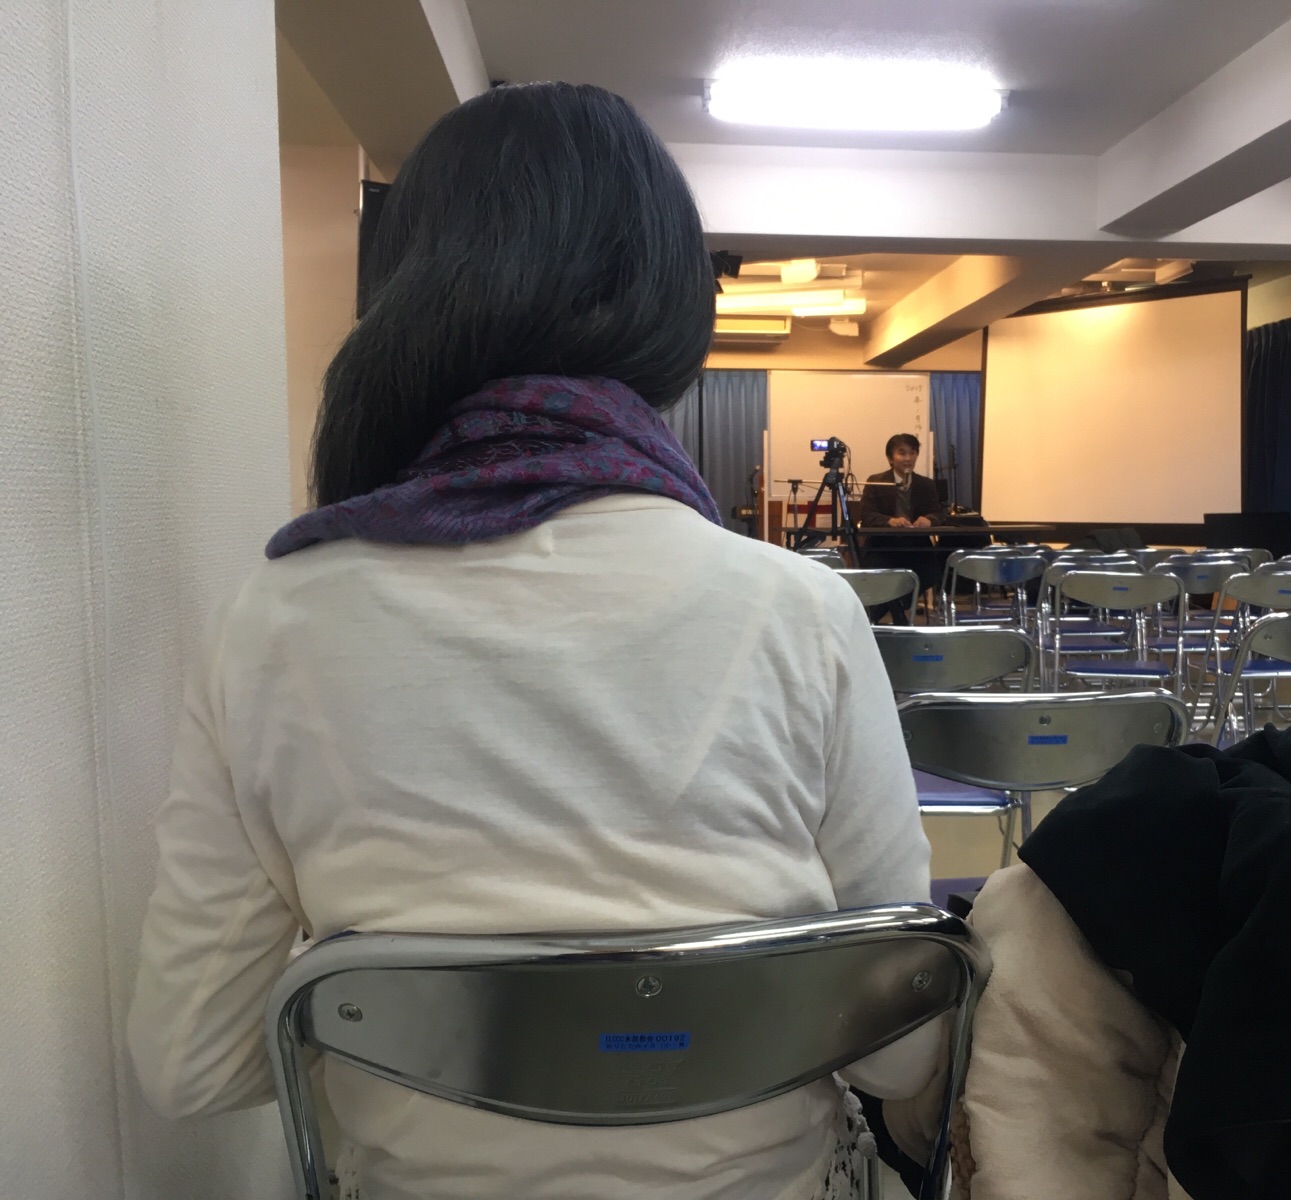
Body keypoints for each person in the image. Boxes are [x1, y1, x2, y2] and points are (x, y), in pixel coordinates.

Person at [127, 83, 932, 1200]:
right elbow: (905, 1051)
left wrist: (392, 1005)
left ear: (406, 288)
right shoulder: (802, 613)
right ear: (666, 300)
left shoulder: (272, 622)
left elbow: (191, 1062)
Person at [857, 434, 945, 621]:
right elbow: (867, 515)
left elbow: (939, 513)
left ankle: (888, 610)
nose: (908, 458)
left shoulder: (926, 484)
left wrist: (929, 520)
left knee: (931, 572)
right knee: (880, 573)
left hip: (916, 548)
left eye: (912, 453)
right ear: (890, 458)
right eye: (902, 453)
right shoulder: (876, 482)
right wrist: (890, 521)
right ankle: (898, 615)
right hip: (882, 547)